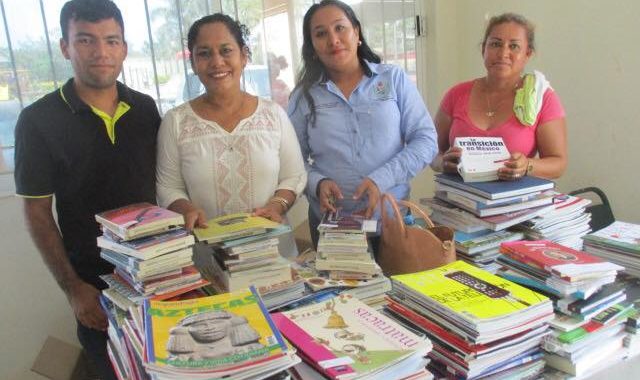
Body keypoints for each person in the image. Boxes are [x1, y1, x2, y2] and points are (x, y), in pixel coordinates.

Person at [13, 1, 160, 379]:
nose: (101, 53)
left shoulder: (145, 109)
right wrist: (73, 288)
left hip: (158, 277)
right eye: (86, 40)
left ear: (124, 47)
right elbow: (38, 214)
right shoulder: (38, 121)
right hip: (94, 291)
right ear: (65, 47)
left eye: (112, 41)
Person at [288, 0, 438, 248]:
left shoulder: (393, 79)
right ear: (312, 46)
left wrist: (381, 179)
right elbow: (293, 161)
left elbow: (426, 140)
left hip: (391, 220)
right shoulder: (303, 97)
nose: (333, 40)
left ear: (356, 32)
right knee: (337, 288)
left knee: (396, 287)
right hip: (332, 226)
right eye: (321, 34)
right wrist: (317, 184)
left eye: (340, 28)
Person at [156, 14, 306, 229]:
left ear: (244, 56)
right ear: (194, 64)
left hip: (271, 248)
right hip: (206, 253)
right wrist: (186, 209)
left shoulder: (273, 115)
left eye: (226, 50)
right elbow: (168, 187)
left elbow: (294, 176)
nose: (217, 62)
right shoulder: (176, 122)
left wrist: (277, 205)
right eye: (204, 54)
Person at [431, 13, 567, 180]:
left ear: (527, 54)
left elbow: (558, 163)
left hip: (515, 203)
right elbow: (431, 152)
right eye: (495, 44)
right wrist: (442, 164)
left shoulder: (541, 98)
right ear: (484, 49)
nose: (503, 53)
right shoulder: (456, 94)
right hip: (460, 201)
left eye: (514, 46)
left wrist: (527, 165)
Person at [166, 310, 264, 362]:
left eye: (216, 323)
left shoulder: (251, 349)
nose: (209, 328)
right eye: (199, 325)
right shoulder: (182, 358)